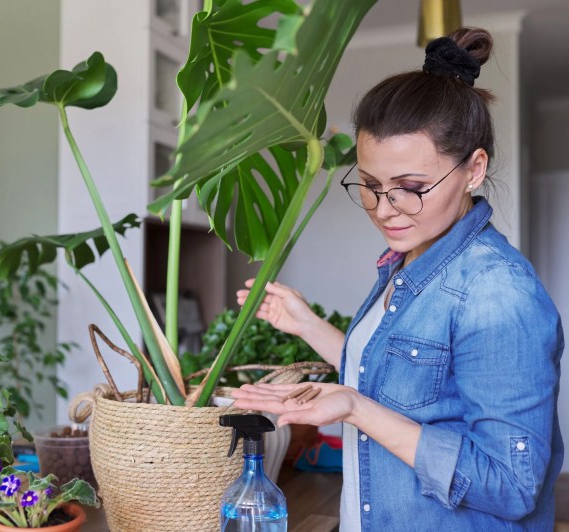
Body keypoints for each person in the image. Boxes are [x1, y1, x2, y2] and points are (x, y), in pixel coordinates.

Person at [232, 28, 564, 531]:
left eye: (409, 188)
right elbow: (404, 380)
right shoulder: (409, 260)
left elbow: (511, 485)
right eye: (369, 185)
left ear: (474, 169)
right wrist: (308, 326)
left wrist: (356, 411)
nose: (385, 209)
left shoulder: (496, 293)